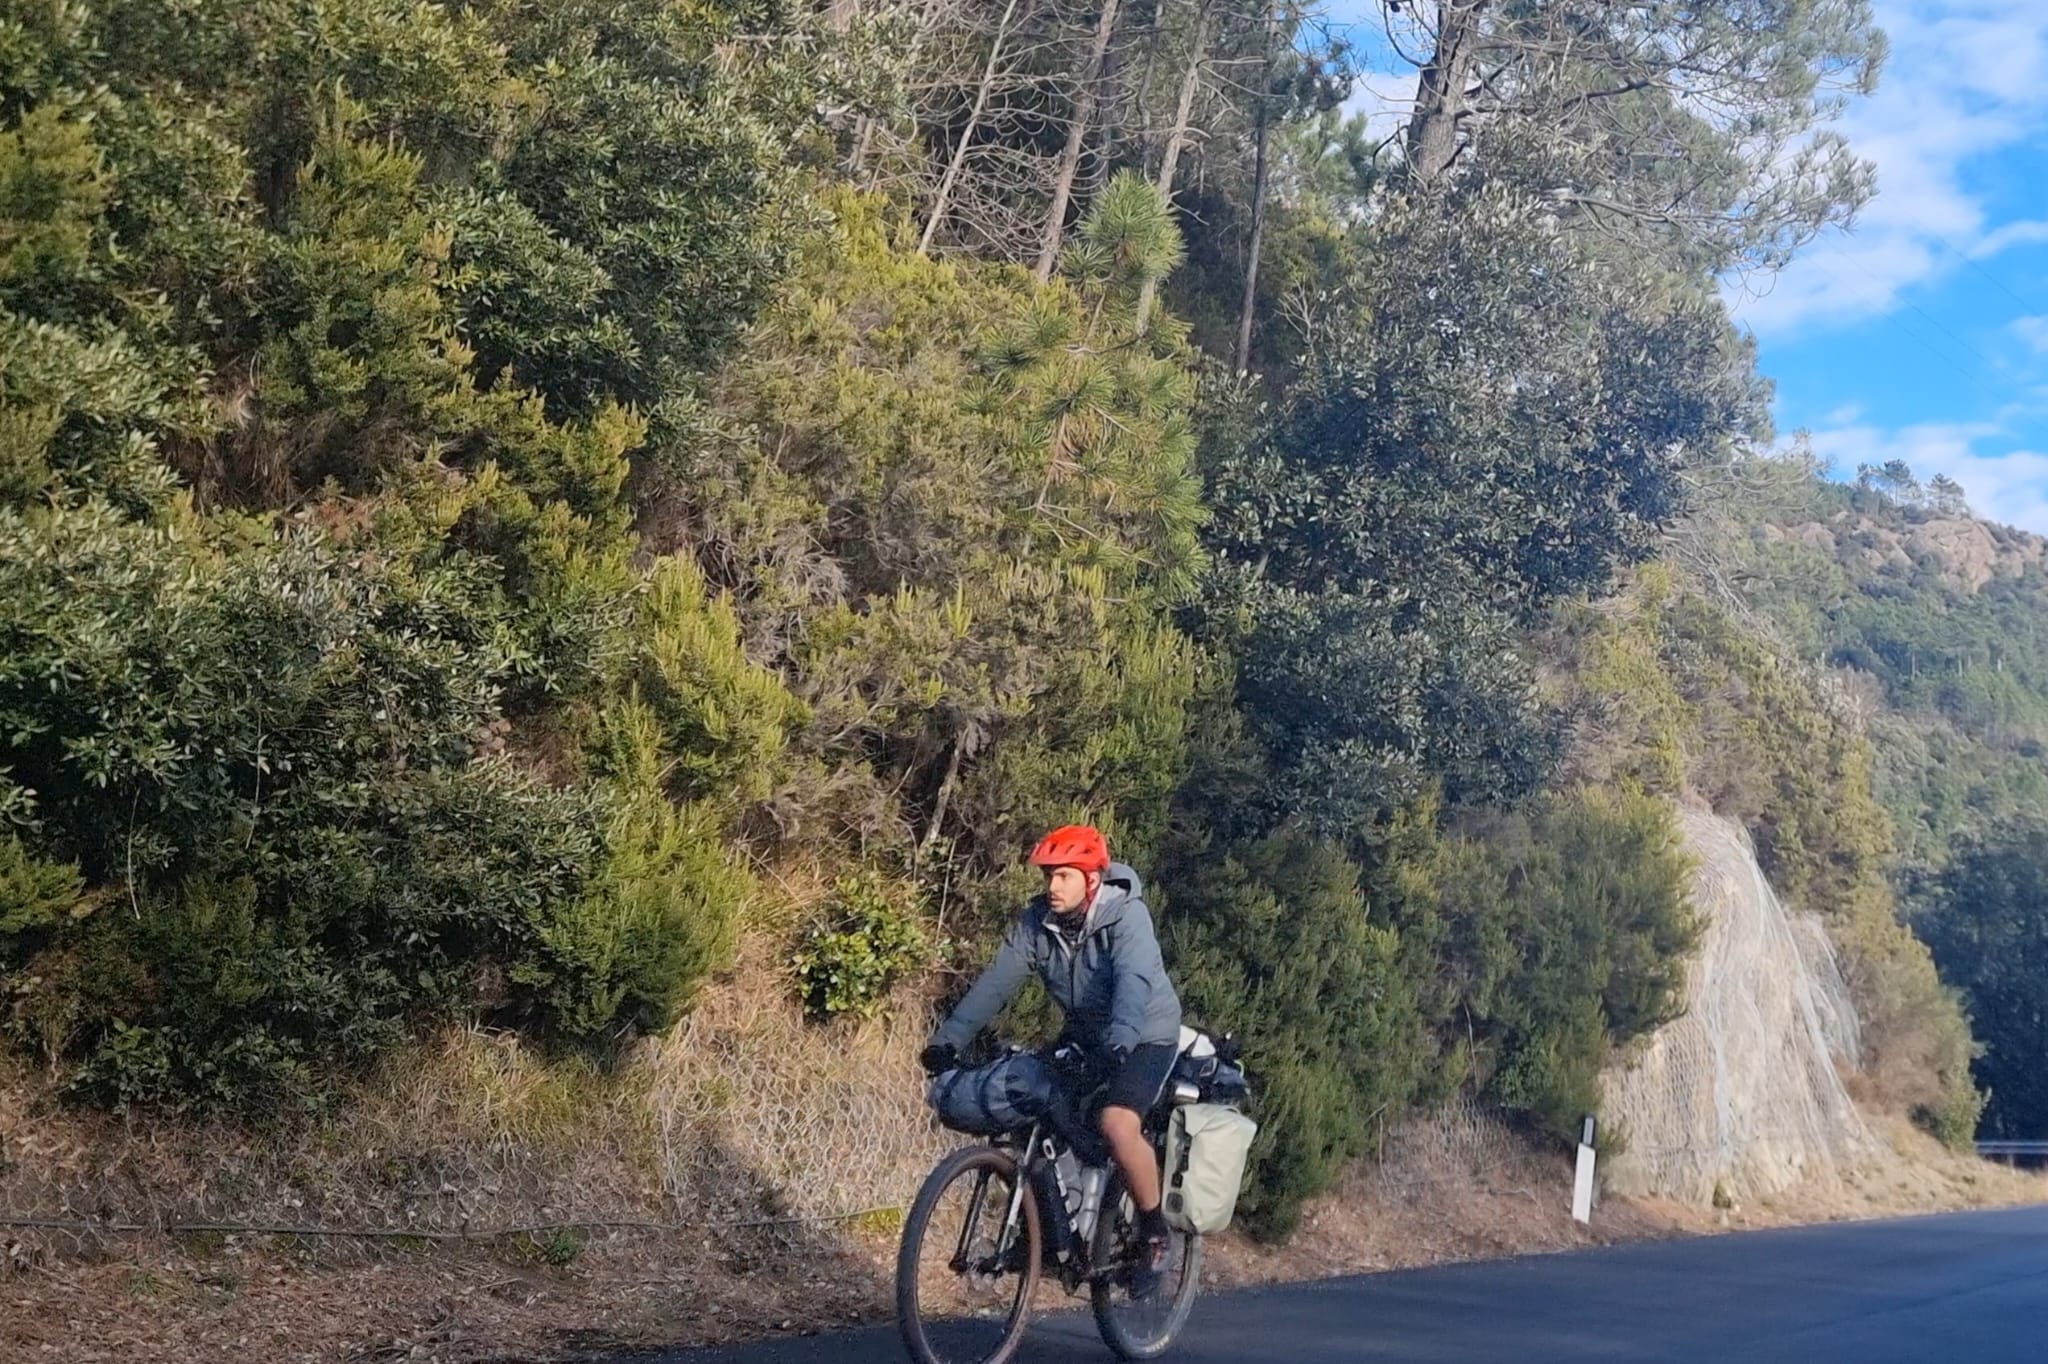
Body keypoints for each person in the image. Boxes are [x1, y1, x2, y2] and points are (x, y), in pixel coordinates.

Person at [920, 824, 1183, 1298]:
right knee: (1037, 1108)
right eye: (1049, 876)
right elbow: (996, 983)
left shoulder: (1127, 917)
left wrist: (1119, 1044)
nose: (1052, 886)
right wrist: (949, 1040)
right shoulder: (1037, 923)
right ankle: (1048, 1230)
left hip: (1144, 1035)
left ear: (1092, 880)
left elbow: (1134, 982)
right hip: (1085, 1036)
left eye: (1064, 875)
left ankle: (1153, 1231)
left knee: (1117, 1122)